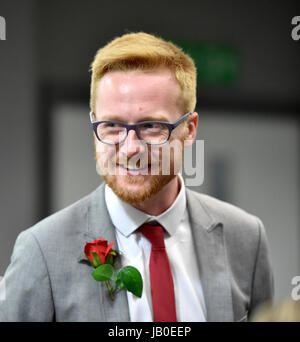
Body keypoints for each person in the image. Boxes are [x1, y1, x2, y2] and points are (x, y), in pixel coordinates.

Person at [0, 32, 273, 322]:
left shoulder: (246, 238)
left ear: (190, 129)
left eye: (152, 126)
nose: (130, 149)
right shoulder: (42, 251)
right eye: (112, 126)